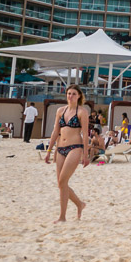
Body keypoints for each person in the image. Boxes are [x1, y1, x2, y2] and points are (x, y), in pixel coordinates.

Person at [45, 85, 89, 222]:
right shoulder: (60, 110)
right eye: (69, 93)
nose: (70, 96)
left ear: (79, 96)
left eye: (74, 94)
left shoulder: (82, 112)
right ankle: (79, 205)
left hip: (75, 147)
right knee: (61, 183)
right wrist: (49, 151)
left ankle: (63, 216)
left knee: (63, 180)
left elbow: (86, 134)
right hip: (60, 149)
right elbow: (55, 132)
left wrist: (86, 155)